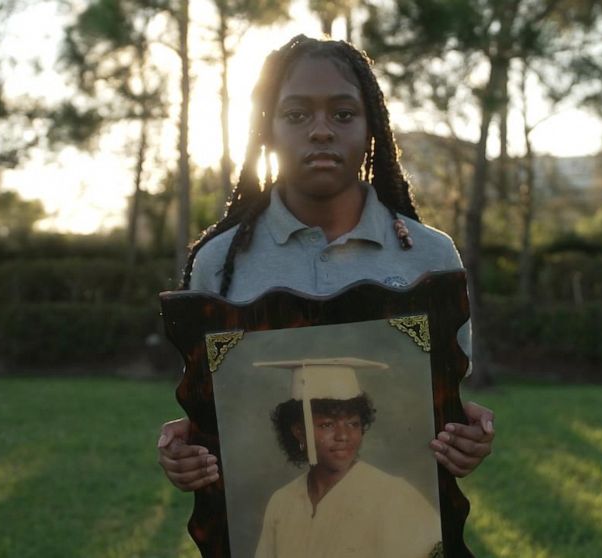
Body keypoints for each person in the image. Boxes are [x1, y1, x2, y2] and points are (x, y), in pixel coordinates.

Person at [157, 35, 494, 495]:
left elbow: (442, 402)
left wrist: (465, 438)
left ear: (371, 125)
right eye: (296, 115)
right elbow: (218, 408)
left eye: (343, 114)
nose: (321, 131)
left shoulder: (430, 256)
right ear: (267, 129)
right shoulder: (220, 263)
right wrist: (190, 448)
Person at [253, 358, 442, 558]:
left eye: (353, 424)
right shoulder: (281, 502)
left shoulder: (393, 496)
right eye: (327, 425)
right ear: (300, 432)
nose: (343, 436)